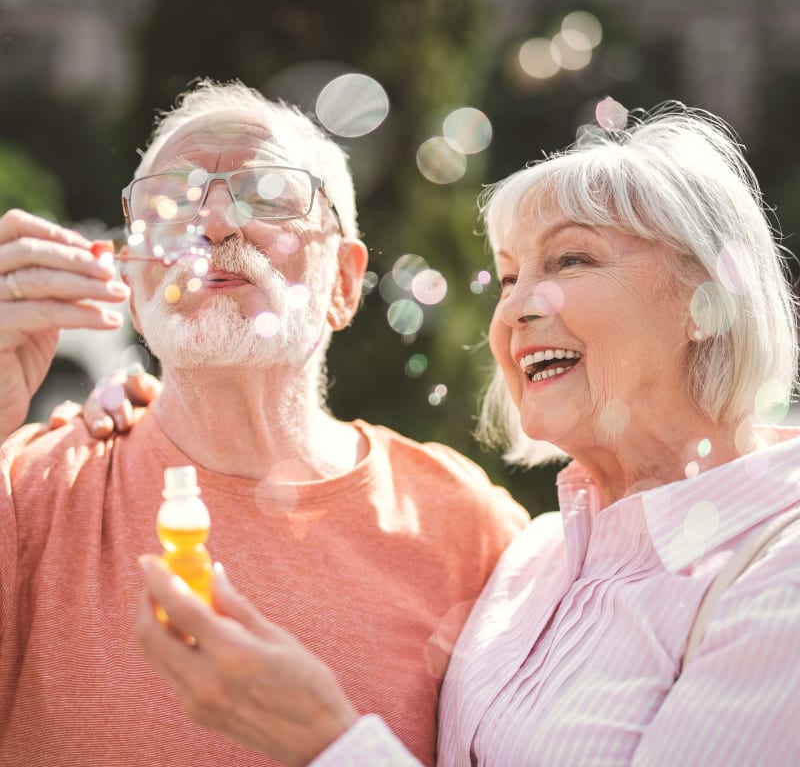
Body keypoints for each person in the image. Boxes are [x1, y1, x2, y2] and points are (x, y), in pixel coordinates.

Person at [127, 100, 800, 765]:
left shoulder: (780, 576)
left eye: (571, 260)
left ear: (706, 302)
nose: (516, 309)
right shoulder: (528, 557)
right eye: (510, 276)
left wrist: (326, 742)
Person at [0, 80, 529, 766]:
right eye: (174, 200)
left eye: (267, 197)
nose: (214, 225)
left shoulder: (465, 526)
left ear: (343, 281)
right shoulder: (28, 494)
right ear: (131, 283)